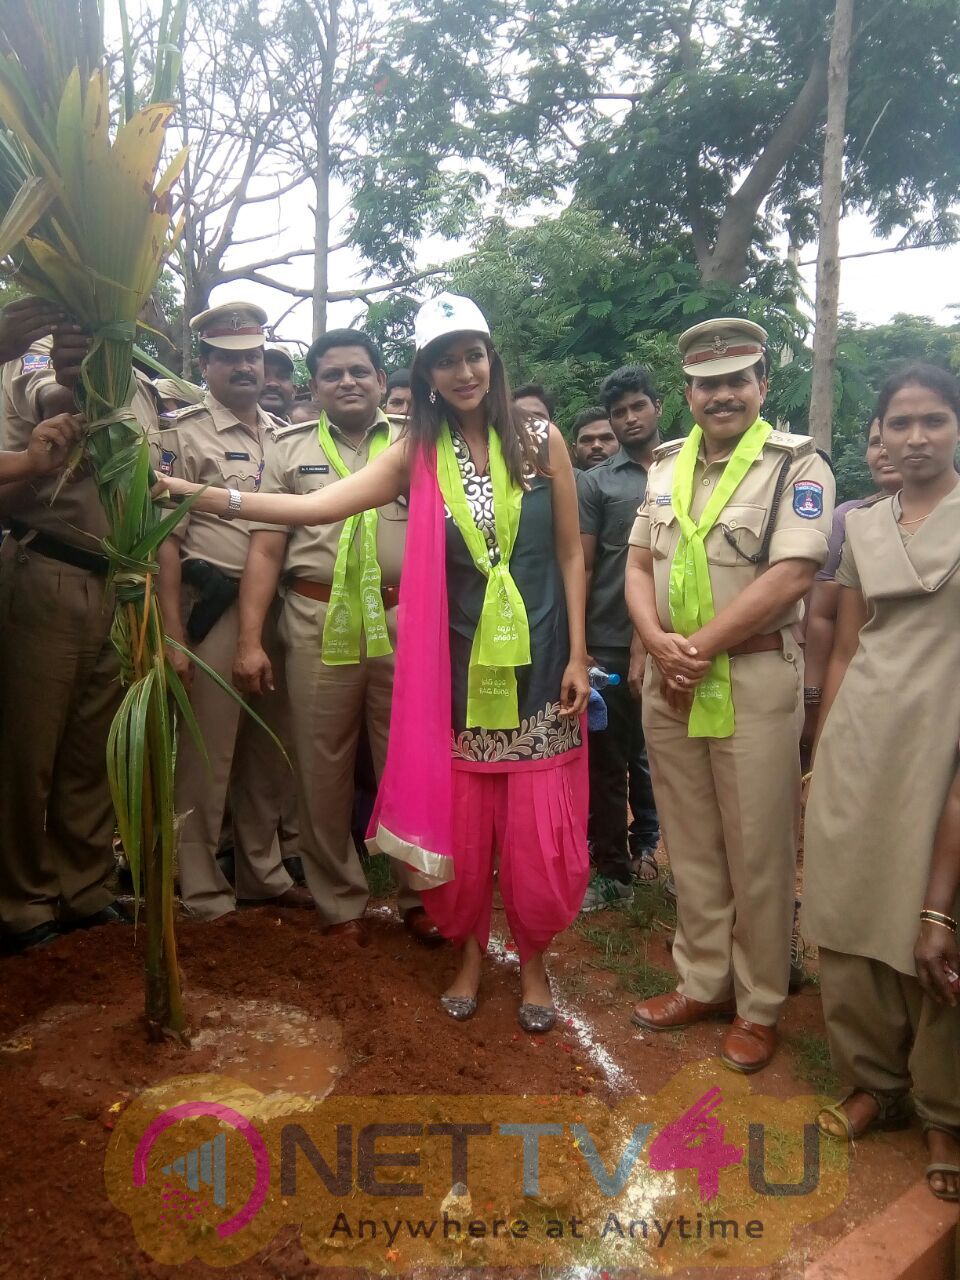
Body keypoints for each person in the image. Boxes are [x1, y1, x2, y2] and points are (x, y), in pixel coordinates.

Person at [156, 293, 591, 1031]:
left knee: (530, 822)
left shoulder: (539, 438)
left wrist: (580, 650)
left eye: (472, 355)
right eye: (445, 361)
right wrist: (194, 493)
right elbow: (314, 509)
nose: (463, 372)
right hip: (453, 668)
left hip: (542, 661)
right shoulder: (417, 452)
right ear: (425, 376)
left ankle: (536, 965)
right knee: (468, 817)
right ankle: (469, 955)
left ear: (493, 359)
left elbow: (570, 551)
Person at [624, 318, 834, 1073]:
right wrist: (657, 642)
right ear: (688, 392)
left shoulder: (796, 468)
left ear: (762, 387)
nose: (721, 394)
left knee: (759, 847)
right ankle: (703, 982)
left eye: (736, 380)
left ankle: (760, 1005)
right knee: (693, 838)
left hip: (748, 675)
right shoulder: (665, 467)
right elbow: (640, 566)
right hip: (674, 679)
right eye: (707, 384)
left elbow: (793, 574)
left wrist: (697, 648)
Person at [803, 364, 960, 1200]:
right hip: (866, 731)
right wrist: (825, 748)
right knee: (849, 899)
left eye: (933, 421)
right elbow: (851, 644)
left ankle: (944, 1107)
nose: (915, 438)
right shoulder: (861, 528)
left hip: (948, 735)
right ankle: (872, 1081)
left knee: (940, 915)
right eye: (900, 424)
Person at [231, 328, 436, 944]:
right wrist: (249, 640)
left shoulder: (418, 441)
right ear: (314, 388)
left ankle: (419, 896)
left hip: (405, 620)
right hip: (316, 619)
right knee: (321, 767)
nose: (347, 382)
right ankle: (340, 900)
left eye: (359, 371)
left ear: (381, 380)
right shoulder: (289, 450)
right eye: (332, 375)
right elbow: (266, 550)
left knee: (409, 759)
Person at [0, 326, 161, 950]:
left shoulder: (142, 380)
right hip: (48, 569)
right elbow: (40, 406)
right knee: (27, 750)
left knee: (94, 752)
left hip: (118, 582)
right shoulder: (26, 361)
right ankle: (21, 901)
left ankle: (85, 888)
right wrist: (67, 387)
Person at [154, 303, 309, 920]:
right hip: (213, 607)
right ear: (207, 364)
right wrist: (171, 632)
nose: (245, 366)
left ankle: (260, 872)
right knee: (207, 751)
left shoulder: (282, 434)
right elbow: (163, 539)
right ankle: (200, 885)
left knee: (270, 750)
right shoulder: (181, 434)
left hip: (280, 608)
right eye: (230, 357)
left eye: (253, 355)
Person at [578, 366, 661, 910]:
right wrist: (577, 644)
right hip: (607, 640)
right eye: (618, 412)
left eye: (637, 407)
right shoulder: (598, 481)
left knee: (662, 758)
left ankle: (655, 851)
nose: (629, 418)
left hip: (680, 641)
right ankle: (612, 873)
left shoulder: (687, 471)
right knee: (606, 762)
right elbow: (582, 567)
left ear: (658, 407)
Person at [800, 417, 902, 765]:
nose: (886, 451)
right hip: (863, 686)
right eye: (876, 442)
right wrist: (813, 696)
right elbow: (823, 617)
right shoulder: (850, 518)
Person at [259, 346, 298, 422]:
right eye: (263, 374)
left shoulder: (310, 433)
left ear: (294, 391)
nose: (273, 384)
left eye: (283, 376)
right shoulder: (229, 433)